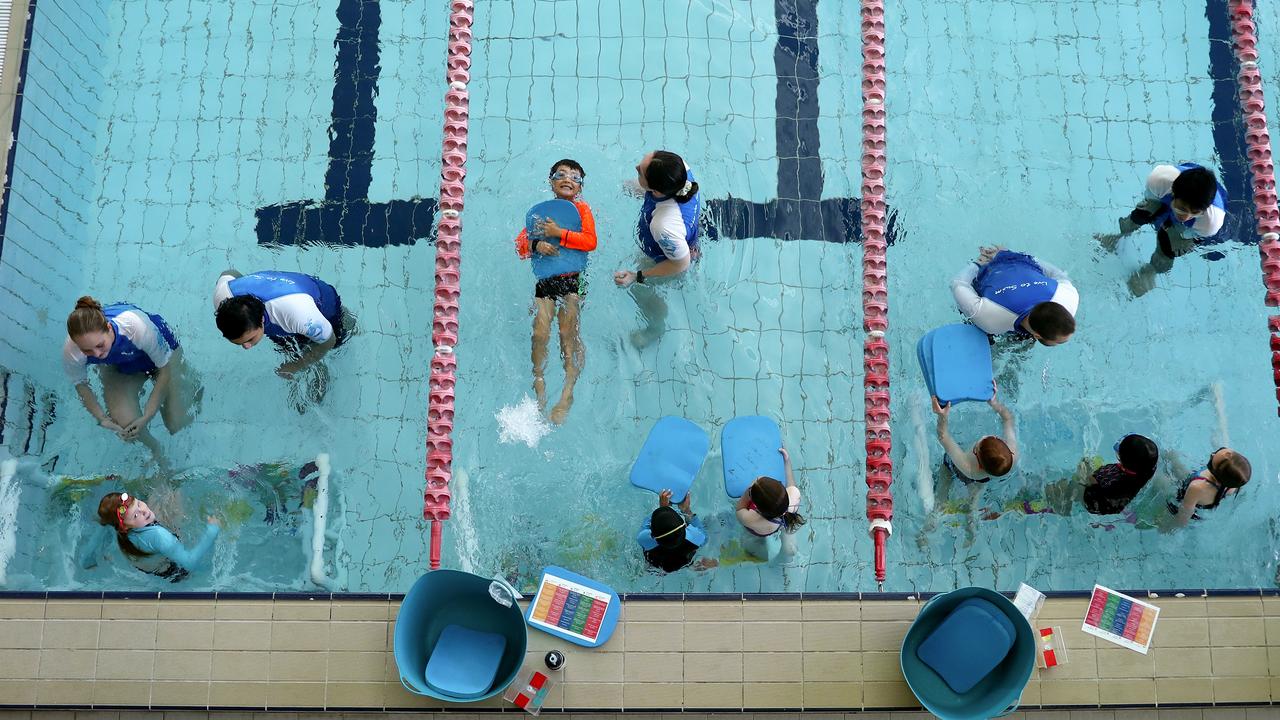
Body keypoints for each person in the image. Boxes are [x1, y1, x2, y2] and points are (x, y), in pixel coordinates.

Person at [63, 296, 199, 464]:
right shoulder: (73, 350)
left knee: (176, 422)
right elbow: (80, 385)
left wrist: (148, 414)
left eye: (100, 345)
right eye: (88, 351)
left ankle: (193, 384)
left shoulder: (135, 327)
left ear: (108, 328)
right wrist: (102, 419)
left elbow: (164, 370)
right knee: (128, 426)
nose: (97, 354)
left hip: (163, 359)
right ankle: (157, 452)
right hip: (121, 366)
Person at [514, 159, 597, 424]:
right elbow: (521, 246)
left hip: (575, 279)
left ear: (580, 186)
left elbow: (590, 242)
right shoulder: (542, 213)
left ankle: (567, 392)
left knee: (567, 332)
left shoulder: (582, 210)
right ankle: (539, 383)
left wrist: (558, 233)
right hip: (548, 277)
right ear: (550, 182)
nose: (567, 179)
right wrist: (536, 244)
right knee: (540, 330)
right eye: (560, 174)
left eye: (574, 176)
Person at [213, 270, 351, 405]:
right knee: (290, 348)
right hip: (285, 303)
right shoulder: (223, 296)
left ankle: (348, 321)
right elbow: (230, 272)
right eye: (239, 343)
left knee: (338, 340)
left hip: (319, 299)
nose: (246, 347)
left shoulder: (301, 316)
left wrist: (296, 366)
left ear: (261, 320)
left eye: (249, 339)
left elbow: (328, 341)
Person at [613, 150, 701, 347]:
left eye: (640, 172)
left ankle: (656, 327)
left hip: (665, 259)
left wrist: (638, 276)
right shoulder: (679, 168)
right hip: (679, 235)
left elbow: (681, 264)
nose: (636, 167)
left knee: (640, 290)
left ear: (657, 191)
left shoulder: (663, 226)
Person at [1097, 163, 1227, 297]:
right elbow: (1151, 201)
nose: (1185, 217)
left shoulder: (1211, 222)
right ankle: (1118, 238)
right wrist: (1153, 209)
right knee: (1141, 215)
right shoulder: (1159, 180)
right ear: (1174, 193)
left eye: (1194, 212)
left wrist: (1180, 236)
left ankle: (1150, 271)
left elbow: (1189, 238)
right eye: (1182, 209)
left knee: (1170, 248)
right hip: (1173, 190)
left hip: (1197, 217)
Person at [919, 391, 1016, 546]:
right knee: (973, 507)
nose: (985, 436)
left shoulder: (966, 464)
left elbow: (943, 436)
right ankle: (971, 534)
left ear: (976, 453)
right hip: (979, 481)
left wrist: (942, 415)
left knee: (940, 503)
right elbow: (1008, 418)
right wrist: (994, 403)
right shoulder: (1011, 456)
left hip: (952, 468)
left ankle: (925, 534)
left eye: (981, 441)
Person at [951, 247, 1079, 346]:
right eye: (1061, 342)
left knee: (1022, 341)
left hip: (1022, 261)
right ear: (1038, 335)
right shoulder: (989, 317)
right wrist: (979, 264)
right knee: (981, 333)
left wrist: (1021, 256)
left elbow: (1059, 274)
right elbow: (959, 284)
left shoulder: (1067, 297)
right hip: (987, 273)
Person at [96, 491, 221, 582]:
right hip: (177, 571)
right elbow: (190, 563)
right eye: (135, 515)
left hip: (151, 564)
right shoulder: (159, 536)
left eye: (139, 504)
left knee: (163, 495)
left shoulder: (123, 533)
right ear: (125, 527)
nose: (143, 511)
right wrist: (212, 531)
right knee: (176, 495)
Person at [1166, 447, 1251, 527]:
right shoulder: (1232, 483)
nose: (1213, 454)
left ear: (1216, 473)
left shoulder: (1197, 487)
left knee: (1160, 480)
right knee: (1171, 455)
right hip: (1194, 484)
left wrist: (1167, 527)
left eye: (1212, 456)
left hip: (1184, 496)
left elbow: (1183, 518)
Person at [636, 488, 714, 573]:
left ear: (652, 535)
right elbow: (705, 537)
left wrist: (663, 509)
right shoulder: (695, 536)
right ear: (685, 526)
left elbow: (646, 524)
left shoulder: (644, 539)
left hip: (657, 564)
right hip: (683, 562)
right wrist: (687, 510)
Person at [735, 447, 805, 539]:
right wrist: (786, 461)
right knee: (785, 529)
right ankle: (787, 538)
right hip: (781, 521)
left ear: (758, 509)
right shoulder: (794, 495)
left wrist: (747, 493)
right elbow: (790, 482)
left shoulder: (752, 520)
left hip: (764, 529)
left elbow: (738, 510)